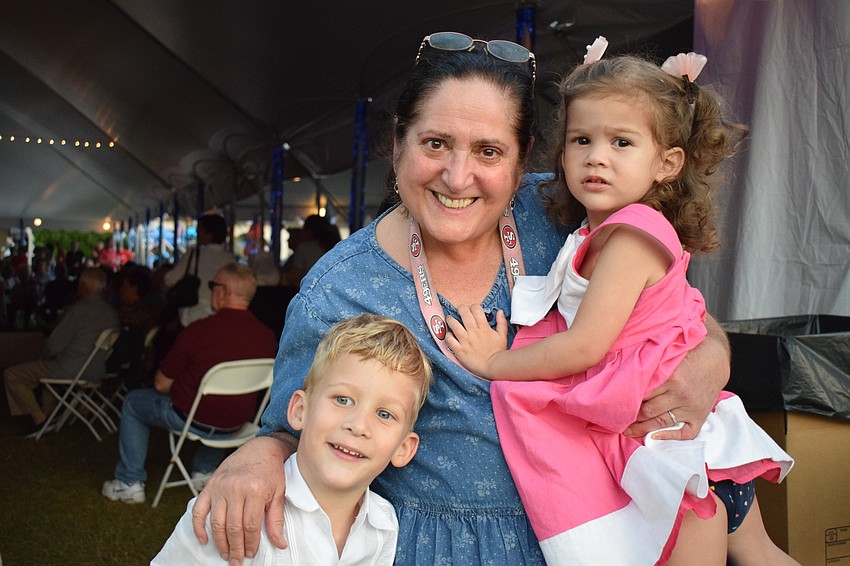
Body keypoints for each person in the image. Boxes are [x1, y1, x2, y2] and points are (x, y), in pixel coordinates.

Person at [190, 32, 733, 565]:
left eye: (488, 151)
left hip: (592, 524)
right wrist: (256, 456)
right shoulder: (337, 290)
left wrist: (712, 358)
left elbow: (674, 309)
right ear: (398, 144)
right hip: (431, 548)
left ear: (522, 163)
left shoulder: (567, 211)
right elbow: (291, 426)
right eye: (435, 144)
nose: (457, 177)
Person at [447, 41, 796, 565]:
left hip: (669, 453)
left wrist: (495, 362)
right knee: (760, 556)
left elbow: (585, 346)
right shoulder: (607, 229)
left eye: (622, 142)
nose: (597, 156)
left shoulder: (630, 237)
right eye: (581, 139)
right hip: (689, 440)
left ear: (667, 163)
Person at [152, 314, 432, 565]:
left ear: (403, 448)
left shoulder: (384, 526)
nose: (358, 426)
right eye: (342, 399)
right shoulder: (232, 508)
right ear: (300, 410)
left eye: (384, 414)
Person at [102, 264, 277, 504]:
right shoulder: (267, 336)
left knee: (133, 401)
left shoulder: (199, 330)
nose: (209, 291)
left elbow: (161, 384)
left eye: (212, 285)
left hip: (192, 418)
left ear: (224, 292)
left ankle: (129, 482)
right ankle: (204, 471)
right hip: (236, 423)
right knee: (221, 405)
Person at [3, 267, 119, 436]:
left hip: (69, 369)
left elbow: (54, 345)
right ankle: (49, 414)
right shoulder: (111, 313)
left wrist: (42, 354)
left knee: (13, 375)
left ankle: (39, 417)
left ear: (83, 286)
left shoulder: (78, 311)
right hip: (95, 370)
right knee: (48, 370)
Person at [164, 214, 236, 329]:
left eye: (200, 230)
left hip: (191, 316)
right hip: (219, 317)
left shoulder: (194, 255)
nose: (197, 234)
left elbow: (170, 279)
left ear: (209, 234)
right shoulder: (230, 260)